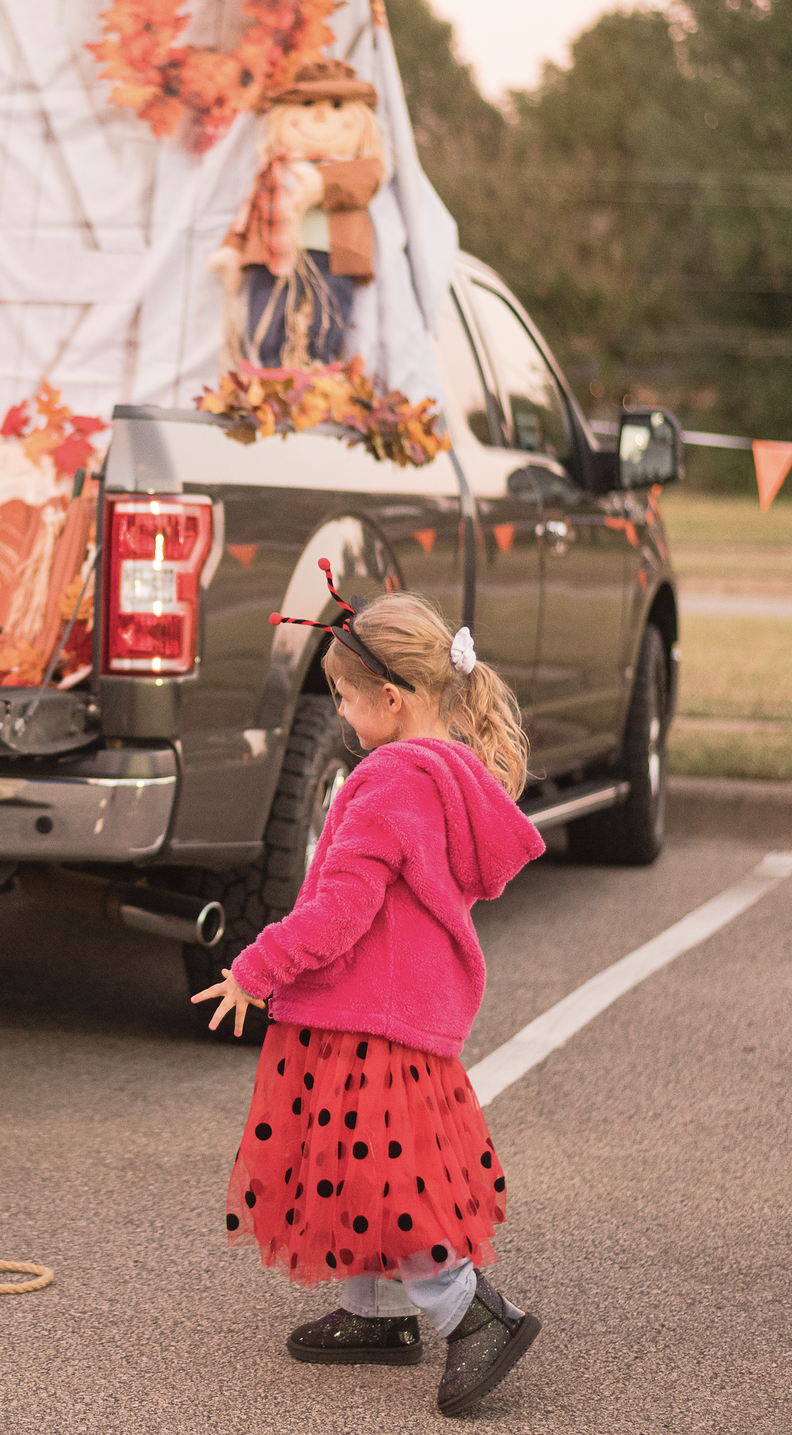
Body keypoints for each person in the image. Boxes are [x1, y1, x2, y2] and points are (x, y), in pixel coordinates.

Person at [196, 568, 547, 1414]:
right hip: (395, 1012)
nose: (342, 717)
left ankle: (473, 1314)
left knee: (392, 1178)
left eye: (347, 700)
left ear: (390, 698)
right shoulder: (446, 771)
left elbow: (338, 911)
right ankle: (375, 1310)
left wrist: (255, 968)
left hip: (369, 1016)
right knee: (358, 1165)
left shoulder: (389, 780)